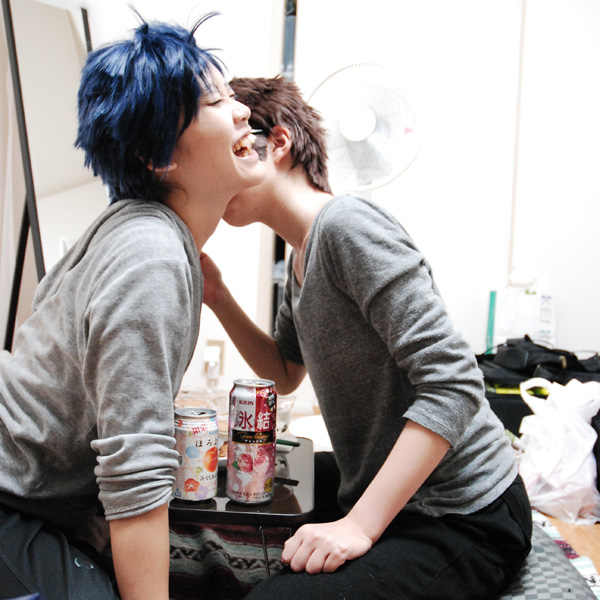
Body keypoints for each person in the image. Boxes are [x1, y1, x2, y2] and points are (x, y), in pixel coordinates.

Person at [200, 76, 533, 600]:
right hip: (380, 481)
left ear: (278, 142)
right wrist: (218, 296)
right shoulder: (301, 256)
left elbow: (455, 384)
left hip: (462, 510)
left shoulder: (346, 226)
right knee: (244, 477)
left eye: (233, 151)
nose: (217, 178)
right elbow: (284, 374)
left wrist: (358, 526)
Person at [0, 16, 264, 600]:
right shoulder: (151, 255)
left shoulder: (138, 232)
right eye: (216, 101)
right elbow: (135, 467)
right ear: (158, 156)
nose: (243, 110)